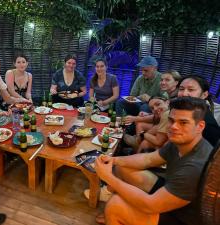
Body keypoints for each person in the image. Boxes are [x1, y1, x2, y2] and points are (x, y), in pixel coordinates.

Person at [94, 97, 213, 225]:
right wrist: (114, 160)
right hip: (171, 192)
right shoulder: (180, 141)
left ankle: (116, 214)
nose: (174, 127)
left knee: (115, 206)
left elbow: (150, 205)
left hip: (183, 217)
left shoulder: (195, 168)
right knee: (122, 167)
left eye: (183, 123)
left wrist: (108, 177)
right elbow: (148, 159)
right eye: (171, 120)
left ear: (200, 126)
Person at [177, 75, 220, 146]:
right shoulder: (184, 110)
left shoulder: (207, 125)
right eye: (181, 89)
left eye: (191, 90)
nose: (184, 94)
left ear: (204, 95)